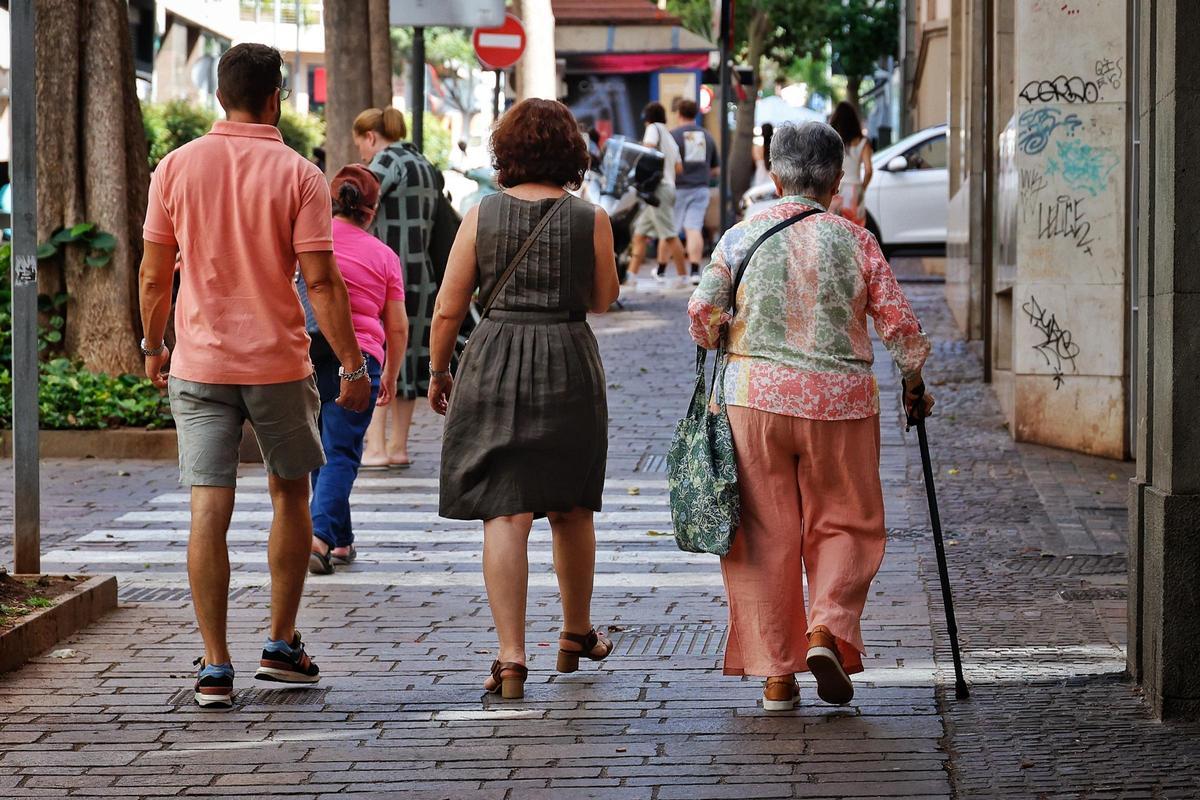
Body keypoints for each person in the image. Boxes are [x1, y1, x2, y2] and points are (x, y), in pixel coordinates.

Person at [138, 43, 371, 709]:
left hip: (199, 363)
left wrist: (153, 344)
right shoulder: (300, 174)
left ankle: (215, 666)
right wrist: (352, 363)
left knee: (208, 507)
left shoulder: (175, 167)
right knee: (290, 495)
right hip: (277, 364)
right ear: (276, 99)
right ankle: (280, 643)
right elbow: (320, 281)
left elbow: (154, 274)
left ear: (219, 96)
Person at [687, 121, 933, 711]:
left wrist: (728, 332)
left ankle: (777, 676)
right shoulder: (857, 240)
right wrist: (914, 383)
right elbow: (898, 324)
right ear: (837, 180)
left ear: (775, 177)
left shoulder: (740, 237)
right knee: (846, 522)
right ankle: (825, 628)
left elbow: (702, 315)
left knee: (763, 536)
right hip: (840, 403)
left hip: (755, 402)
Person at [429, 99, 621, 700]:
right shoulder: (591, 218)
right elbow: (603, 300)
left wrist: (438, 370)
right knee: (572, 506)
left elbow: (448, 308)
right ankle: (574, 632)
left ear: (506, 151)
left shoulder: (481, 215)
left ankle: (512, 658)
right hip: (567, 359)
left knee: (505, 512)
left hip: (493, 360)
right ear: (571, 154)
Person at [305, 165, 408, 575]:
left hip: (308, 351)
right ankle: (319, 538)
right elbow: (397, 325)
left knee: (320, 448)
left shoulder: (309, 241)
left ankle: (340, 540)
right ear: (372, 209)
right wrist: (391, 374)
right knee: (342, 450)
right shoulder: (384, 256)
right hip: (361, 357)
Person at [353, 107, 441, 470]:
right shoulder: (425, 164)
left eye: (360, 144)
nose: (362, 153)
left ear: (371, 137)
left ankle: (375, 446)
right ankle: (398, 446)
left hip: (384, 274)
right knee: (410, 357)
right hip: (422, 273)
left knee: (381, 354)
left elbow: (355, 204)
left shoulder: (385, 162)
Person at [625, 102, 687, 290]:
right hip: (668, 187)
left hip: (658, 190)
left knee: (669, 235)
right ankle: (631, 275)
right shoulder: (669, 137)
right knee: (640, 234)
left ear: (647, 118)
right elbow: (679, 168)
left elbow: (647, 150)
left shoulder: (653, 129)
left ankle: (683, 276)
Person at [670, 99, 719, 283]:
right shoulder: (707, 136)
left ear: (679, 113)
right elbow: (715, 169)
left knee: (671, 230)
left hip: (678, 188)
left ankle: (664, 270)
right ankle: (695, 271)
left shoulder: (673, 135)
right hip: (701, 188)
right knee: (694, 228)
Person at [828, 101, 874, 226]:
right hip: (854, 188)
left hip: (835, 188)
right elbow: (868, 170)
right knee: (854, 228)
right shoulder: (863, 142)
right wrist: (862, 188)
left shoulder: (832, 142)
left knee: (834, 227)